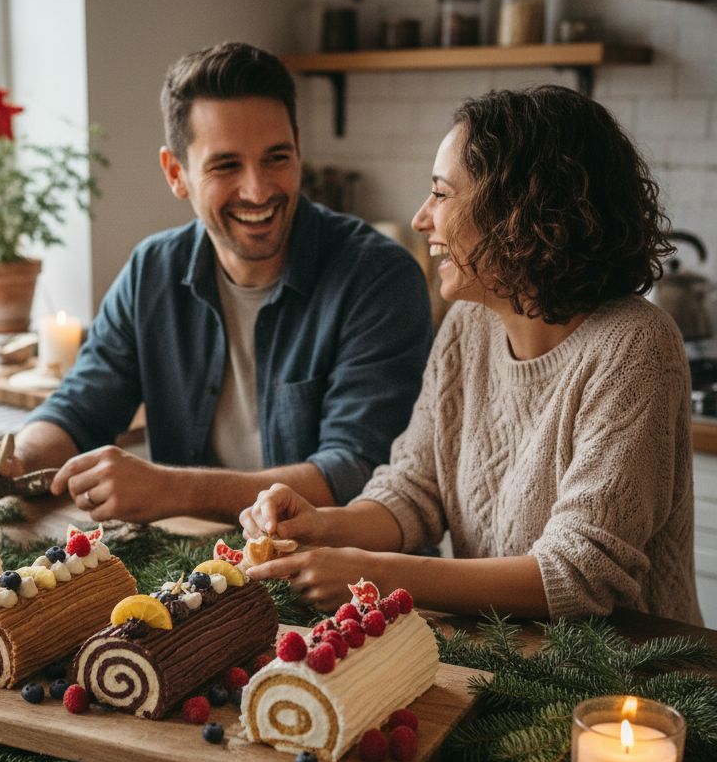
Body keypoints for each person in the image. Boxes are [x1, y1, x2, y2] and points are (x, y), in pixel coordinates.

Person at [241, 85, 701, 625]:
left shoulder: (635, 345)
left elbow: (577, 573)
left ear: (522, 212)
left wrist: (374, 574)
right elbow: (415, 490)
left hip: (633, 669)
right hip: (499, 652)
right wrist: (321, 525)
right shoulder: (468, 324)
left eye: (441, 194)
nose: (421, 219)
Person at [0, 42, 432, 523]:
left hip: (339, 568)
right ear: (176, 173)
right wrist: (11, 461)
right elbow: (80, 410)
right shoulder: (152, 270)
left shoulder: (379, 278)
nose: (258, 189)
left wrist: (169, 489)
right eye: (226, 165)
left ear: (299, 150)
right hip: (192, 564)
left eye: (276, 158)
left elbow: (356, 472)